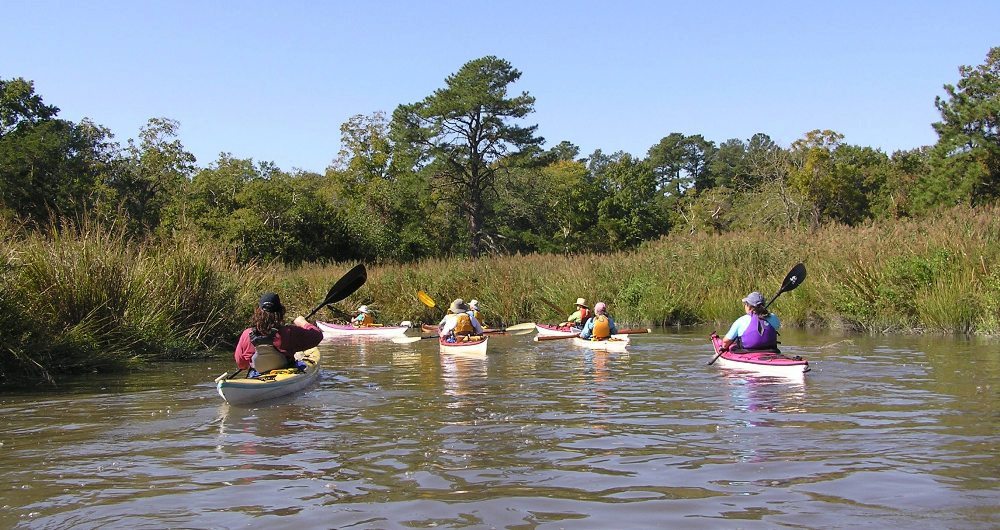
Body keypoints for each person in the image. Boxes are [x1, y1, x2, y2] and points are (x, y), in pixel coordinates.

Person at [233, 292, 324, 376]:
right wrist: (303, 323)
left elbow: (242, 365)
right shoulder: (289, 332)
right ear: (281, 311)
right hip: (285, 374)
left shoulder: (246, 334)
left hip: (257, 375)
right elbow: (317, 336)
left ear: (258, 312)